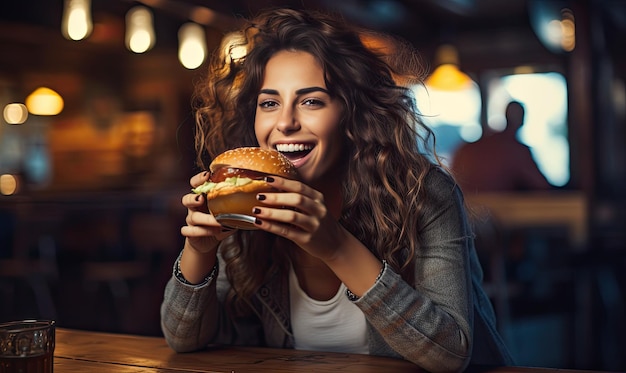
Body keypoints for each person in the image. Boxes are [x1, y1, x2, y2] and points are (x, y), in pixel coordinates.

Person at [160, 8, 514, 372]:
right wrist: (198, 251)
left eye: (311, 101)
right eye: (269, 104)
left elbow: (451, 354)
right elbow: (183, 341)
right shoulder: (247, 205)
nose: (285, 122)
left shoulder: (423, 194)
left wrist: (336, 246)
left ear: (351, 112)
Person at [450, 101, 551, 194]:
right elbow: (541, 186)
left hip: (464, 209)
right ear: (522, 121)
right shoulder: (516, 150)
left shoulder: (468, 149)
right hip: (501, 211)